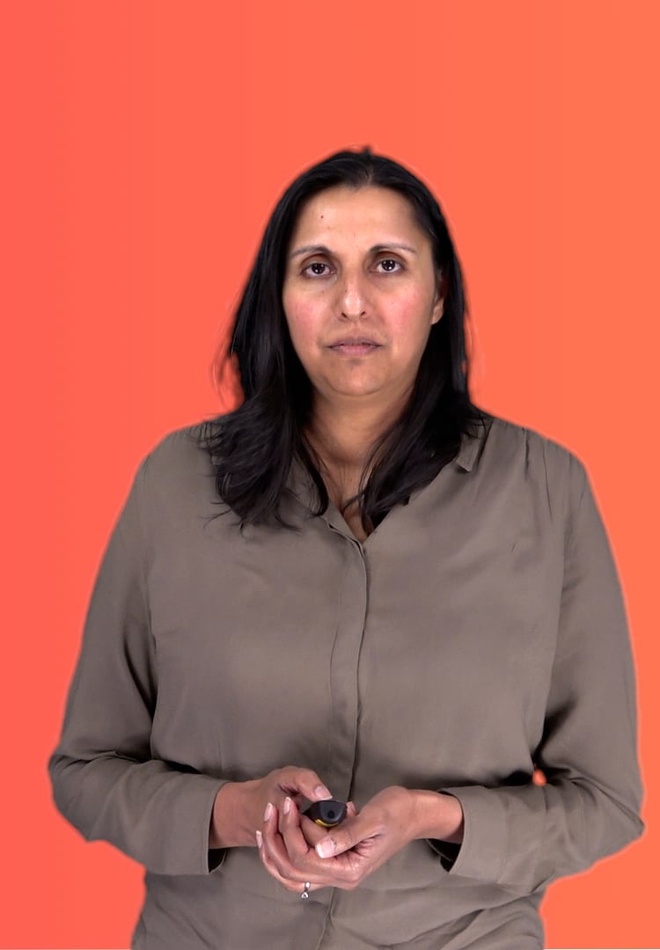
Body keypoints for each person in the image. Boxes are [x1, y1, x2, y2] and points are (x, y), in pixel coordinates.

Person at [48, 148, 643, 950]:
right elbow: (87, 771)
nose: (352, 302)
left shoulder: (548, 493)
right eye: (318, 267)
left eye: (388, 265)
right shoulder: (174, 485)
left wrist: (433, 818)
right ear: (279, 296)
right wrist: (232, 813)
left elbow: (604, 801)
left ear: (439, 295)